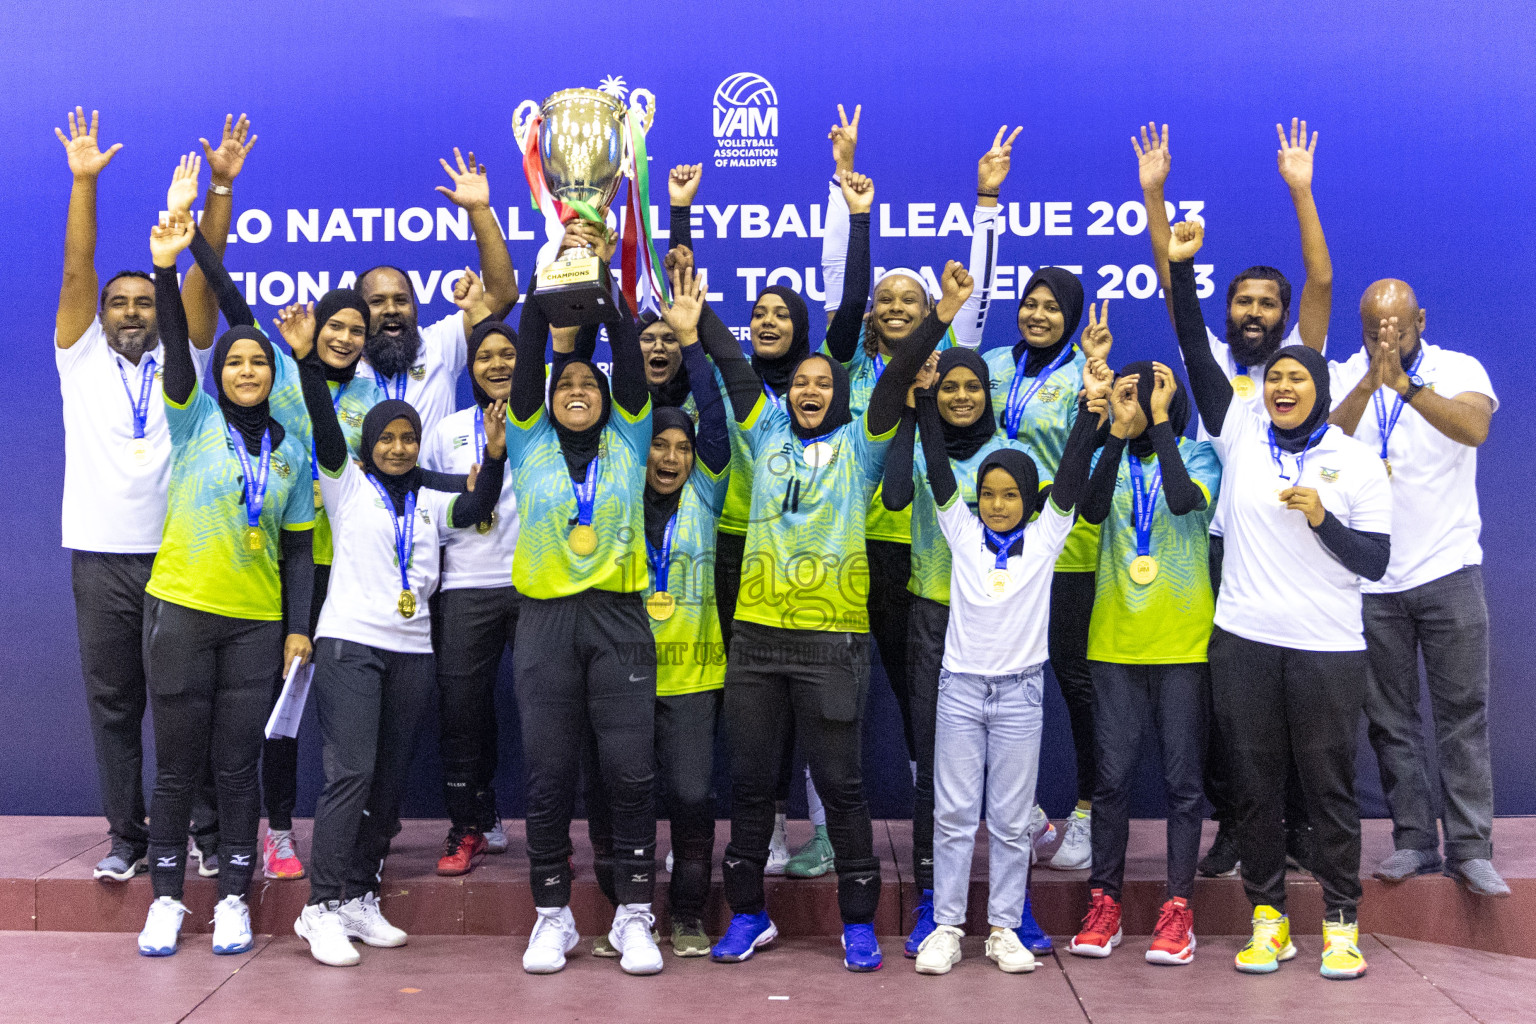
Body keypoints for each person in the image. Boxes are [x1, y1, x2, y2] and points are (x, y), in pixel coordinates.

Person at [705, 176, 971, 978]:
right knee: (750, 788)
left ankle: (860, 922)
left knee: (844, 786)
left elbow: (892, 381)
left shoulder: (861, 444)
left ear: (840, 396)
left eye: (826, 383)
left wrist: (942, 321)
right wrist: (697, 323)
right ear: (787, 392)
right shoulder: (761, 431)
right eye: (803, 382)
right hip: (756, 639)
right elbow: (726, 357)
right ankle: (748, 915)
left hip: (832, 641)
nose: (812, 389)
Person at [1167, 218, 1390, 980]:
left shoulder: (1355, 465)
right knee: (1256, 788)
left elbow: (1374, 559)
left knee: (1327, 793)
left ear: (1321, 389)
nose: (1286, 385)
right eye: (1277, 379)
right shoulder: (1237, 429)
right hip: (1245, 640)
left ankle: (1338, 923)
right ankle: (1269, 921)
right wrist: (1180, 267)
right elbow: (1194, 342)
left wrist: (1324, 520)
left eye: (1300, 377)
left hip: (1328, 646)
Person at [823, 125, 1022, 908]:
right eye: (890, 300)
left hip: (924, 561)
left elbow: (976, 290)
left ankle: (936, 821)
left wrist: (986, 204)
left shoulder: (948, 355)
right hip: (847, 552)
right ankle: (819, 836)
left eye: (914, 299)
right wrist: (846, 189)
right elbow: (842, 280)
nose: (900, 306)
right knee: (832, 702)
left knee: (923, 705)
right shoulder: (846, 367)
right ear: (874, 316)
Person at [1135, 120, 1332, 875]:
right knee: (1229, 702)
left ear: (1283, 320)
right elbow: (1171, 281)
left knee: (1302, 694)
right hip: (1218, 549)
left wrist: (1301, 191)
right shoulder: (1214, 370)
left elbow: (1319, 282)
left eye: (1265, 304)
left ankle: (1305, 827)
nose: (1253, 312)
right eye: (1243, 302)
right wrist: (1153, 195)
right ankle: (1236, 824)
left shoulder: (1297, 367)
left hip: (1300, 542)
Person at [290, 310, 505, 966]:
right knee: (349, 774)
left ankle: (359, 894)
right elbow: (327, 431)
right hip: (351, 645)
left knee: (385, 783)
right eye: (389, 439)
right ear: (370, 445)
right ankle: (320, 907)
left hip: (413, 649)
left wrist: (494, 458)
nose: (401, 448)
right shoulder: (347, 484)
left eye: (409, 438)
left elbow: (474, 509)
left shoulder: (432, 499)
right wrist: (304, 362)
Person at [136, 210, 315, 957]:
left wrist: (298, 628)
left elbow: (300, 552)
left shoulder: (292, 453)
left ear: (274, 377)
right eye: (238, 361)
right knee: (178, 769)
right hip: (180, 609)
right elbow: (177, 342)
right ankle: (169, 902)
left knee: (240, 767)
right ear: (221, 374)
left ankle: (236, 899)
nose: (248, 370)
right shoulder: (193, 416)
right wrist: (164, 268)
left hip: (253, 626)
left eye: (260, 364)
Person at [53, 111, 223, 884]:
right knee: (116, 705)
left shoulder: (184, 356)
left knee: (189, 703)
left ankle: (205, 831)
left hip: (180, 557)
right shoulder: (79, 356)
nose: (129, 311)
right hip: (100, 559)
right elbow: (74, 270)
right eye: (118, 303)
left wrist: (218, 192)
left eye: (141, 302)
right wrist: (84, 181)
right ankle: (126, 836)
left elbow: (201, 272)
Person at [910, 353, 1106, 977]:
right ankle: (946, 927)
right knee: (953, 816)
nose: (997, 505)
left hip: (1022, 695)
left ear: (1030, 500)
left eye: (1011, 495)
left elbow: (1071, 480)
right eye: (989, 494)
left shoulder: (1047, 540)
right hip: (961, 692)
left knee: (1010, 822)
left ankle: (1001, 928)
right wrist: (921, 401)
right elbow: (939, 472)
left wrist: (1091, 410)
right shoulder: (961, 532)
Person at [503, 244, 662, 977]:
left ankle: (634, 914)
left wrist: (604, 282)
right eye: (564, 382)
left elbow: (625, 352)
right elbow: (536, 343)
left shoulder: (630, 436)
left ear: (606, 397)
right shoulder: (529, 436)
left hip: (619, 619)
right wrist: (550, 277)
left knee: (629, 773)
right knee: (548, 776)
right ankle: (552, 917)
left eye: (586, 383)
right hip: (544, 623)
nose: (576, 388)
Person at [1327, 282, 1505, 896]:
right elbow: (1324, 443)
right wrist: (1369, 383)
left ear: (1420, 321)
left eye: (1397, 327)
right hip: (1373, 580)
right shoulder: (1347, 372)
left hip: (1449, 570)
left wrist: (1406, 386)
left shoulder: (1459, 368)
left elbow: (1474, 427)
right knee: (1391, 721)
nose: (1385, 339)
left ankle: (1471, 847)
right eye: (1374, 327)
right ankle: (1411, 840)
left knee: (1462, 715)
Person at [584, 264, 733, 958]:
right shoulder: (616, 489)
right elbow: (624, 400)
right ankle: (625, 912)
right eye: (660, 447)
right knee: (619, 800)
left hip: (695, 678)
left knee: (695, 798)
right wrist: (613, 306)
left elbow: (713, 417)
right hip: (622, 675)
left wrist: (693, 340)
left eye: (682, 447)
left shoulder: (705, 493)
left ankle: (689, 913)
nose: (671, 457)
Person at [1071, 363, 1221, 965]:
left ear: (1171, 401)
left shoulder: (1198, 455)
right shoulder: (1112, 455)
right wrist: (1115, 426)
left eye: (1150, 392)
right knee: (1111, 783)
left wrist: (1158, 421)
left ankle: (1178, 910)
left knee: (1183, 787)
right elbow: (1090, 510)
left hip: (1183, 643)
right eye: (1126, 394)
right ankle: (1104, 903)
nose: (1136, 403)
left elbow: (1185, 501)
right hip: (1114, 643)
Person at [979, 265, 1114, 871]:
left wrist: (1097, 391)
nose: (1038, 314)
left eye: (1052, 307)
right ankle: (1025, 812)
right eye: (1029, 303)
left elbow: (1094, 452)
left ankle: (1087, 816)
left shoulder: (1084, 376)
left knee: (1076, 685)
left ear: (1071, 316)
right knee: (993, 683)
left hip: (1068, 553)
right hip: (994, 551)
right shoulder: (993, 367)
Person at [421, 319, 522, 876]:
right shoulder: (448, 428)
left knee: (546, 712)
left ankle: (546, 831)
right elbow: (431, 502)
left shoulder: (545, 420)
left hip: (534, 585)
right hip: (464, 586)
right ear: (472, 367)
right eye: (485, 356)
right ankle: (471, 824)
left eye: (508, 353)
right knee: (462, 713)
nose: (498, 364)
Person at [356, 148, 516, 435]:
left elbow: (503, 295)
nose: (392, 309)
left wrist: (478, 211)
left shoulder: (439, 345)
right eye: (377, 302)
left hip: (443, 482)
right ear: (358, 312)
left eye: (401, 300)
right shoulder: (341, 367)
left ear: (415, 308)